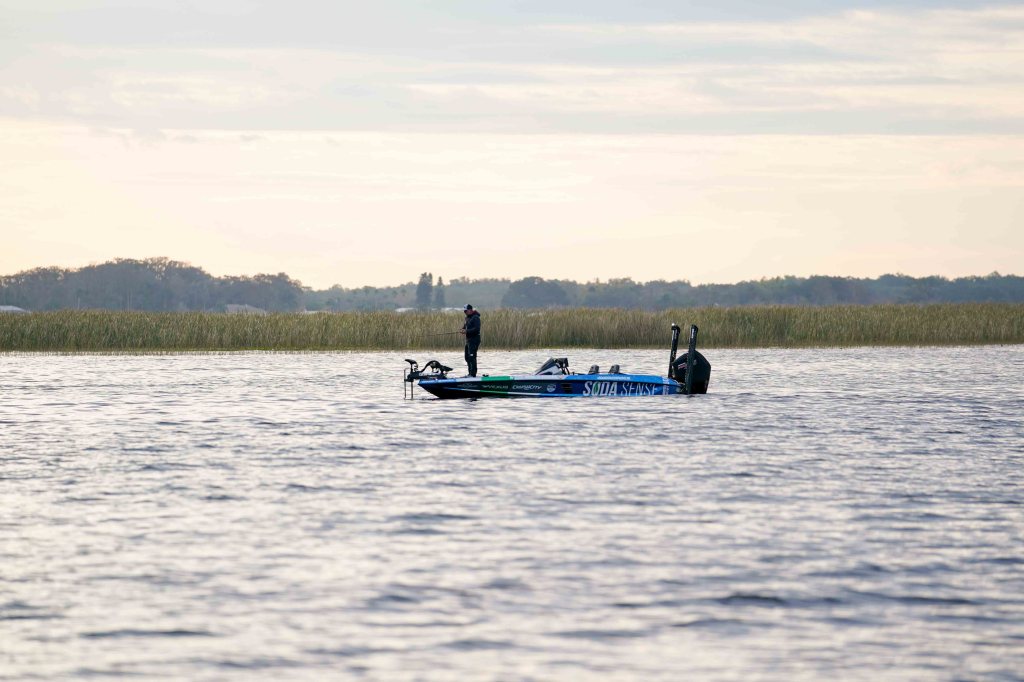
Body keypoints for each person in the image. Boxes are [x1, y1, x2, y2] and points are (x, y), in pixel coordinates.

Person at [459, 304, 481, 377]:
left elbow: (477, 329)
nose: (465, 312)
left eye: (466, 311)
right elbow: (465, 327)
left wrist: (466, 331)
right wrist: (462, 329)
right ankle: (470, 374)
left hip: (475, 339)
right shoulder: (467, 318)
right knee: (467, 357)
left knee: (472, 356)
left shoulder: (476, 317)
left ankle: (473, 374)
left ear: (470, 310)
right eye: (464, 311)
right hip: (468, 340)